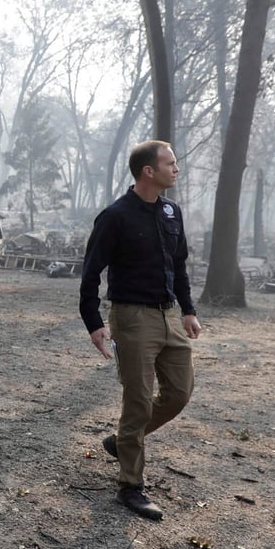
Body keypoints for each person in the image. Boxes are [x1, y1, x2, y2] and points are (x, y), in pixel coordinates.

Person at [79, 139, 202, 521]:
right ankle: (131, 485)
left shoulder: (171, 211)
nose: (176, 169)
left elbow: (178, 265)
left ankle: (121, 441)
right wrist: (94, 323)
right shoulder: (115, 216)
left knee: (180, 393)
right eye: (170, 163)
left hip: (168, 316)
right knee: (137, 399)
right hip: (131, 318)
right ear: (148, 171)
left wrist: (188, 310)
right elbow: (91, 272)